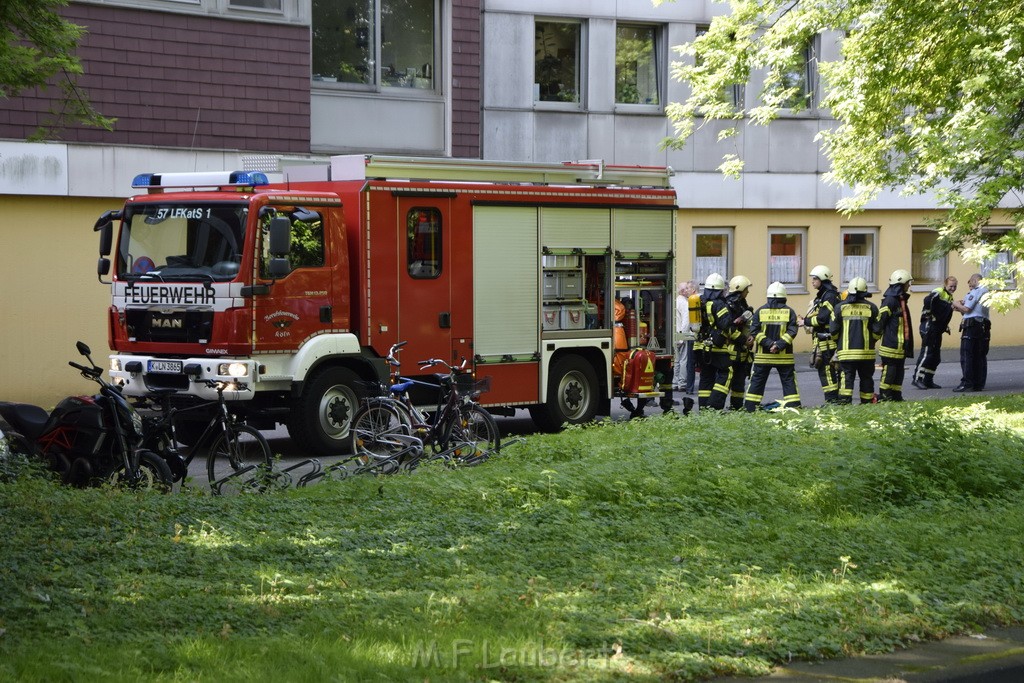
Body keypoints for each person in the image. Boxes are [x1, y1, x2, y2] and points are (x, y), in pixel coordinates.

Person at [744, 281, 801, 411]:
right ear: (784, 296)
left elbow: (754, 330)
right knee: (789, 383)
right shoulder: (789, 312)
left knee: (756, 383)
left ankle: (750, 409)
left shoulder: (760, 311)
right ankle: (794, 408)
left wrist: (768, 344)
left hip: (763, 357)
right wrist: (778, 345)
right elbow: (792, 331)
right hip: (784, 357)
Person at [696, 273, 743, 411]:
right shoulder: (719, 304)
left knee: (706, 376)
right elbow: (726, 326)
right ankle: (714, 407)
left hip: (700, 345)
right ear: (720, 290)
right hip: (716, 346)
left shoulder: (700, 301)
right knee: (726, 372)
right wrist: (742, 338)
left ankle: (704, 409)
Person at [830, 277, 879, 404]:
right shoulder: (872, 308)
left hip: (846, 353)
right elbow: (877, 332)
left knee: (846, 378)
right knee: (867, 378)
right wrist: (871, 341)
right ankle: (867, 403)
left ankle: (845, 403)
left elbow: (833, 331)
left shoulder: (839, 308)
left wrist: (838, 342)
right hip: (866, 353)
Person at [801, 265, 841, 403]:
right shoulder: (826, 294)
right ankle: (833, 400)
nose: (812, 281)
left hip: (827, 341)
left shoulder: (829, 296)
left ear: (822, 279)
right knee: (825, 370)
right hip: (823, 340)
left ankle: (832, 401)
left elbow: (822, 318)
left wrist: (805, 321)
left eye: (815, 279)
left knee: (827, 371)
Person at [875, 269, 915, 401]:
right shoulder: (890, 301)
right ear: (901, 284)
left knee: (899, 373)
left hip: (900, 346)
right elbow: (880, 322)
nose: (909, 286)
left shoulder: (900, 300)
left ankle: (896, 396)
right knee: (889, 373)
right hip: (890, 346)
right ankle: (885, 397)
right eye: (907, 283)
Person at [912, 276, 957, 389]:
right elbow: (928, 300)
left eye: (955, 286)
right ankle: (917, 379)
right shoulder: (939, 292)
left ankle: (928, 380)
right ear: (945, 284)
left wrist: (944, 326)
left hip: (937, 329)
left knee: (935, 357)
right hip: (929, 327)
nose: (952, 288)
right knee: (927, 354)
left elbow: (942, 312)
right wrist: (930, 314)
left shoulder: (949, 296)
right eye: (951, 286)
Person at [952, 273, 991, 392]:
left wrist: (955, 303)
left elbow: (966, 309)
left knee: (967, 354)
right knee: (979, 355)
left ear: (975, 280)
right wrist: (959, 308)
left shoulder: (977, 290)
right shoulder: (987, 292)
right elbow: (967, 311)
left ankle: (967, 382)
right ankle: (978, 383)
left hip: (972, 326)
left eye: (970, 282)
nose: (969, 285)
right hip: (983, 325)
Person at [725, 275, 754, 410]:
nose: (747, 292)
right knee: (727, 380)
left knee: (739, 380)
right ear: (740, 289)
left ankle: (736, 406)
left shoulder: (742, 304)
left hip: (742, 350)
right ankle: (718, 406)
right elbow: (730, 327)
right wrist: (744, 340)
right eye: (746, 289)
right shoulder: (730, 305)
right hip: (731, 349)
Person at [674, 281, 697, 393]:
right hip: (681, 334)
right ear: (683, 291)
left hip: (675, 334)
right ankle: (682, 383)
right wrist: (683, 336)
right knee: (684, 360)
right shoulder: (684, 303)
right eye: (686, 289)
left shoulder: (675, 301)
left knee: (676, 360)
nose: (687, 290)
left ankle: (674, 382)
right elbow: (686, 321)